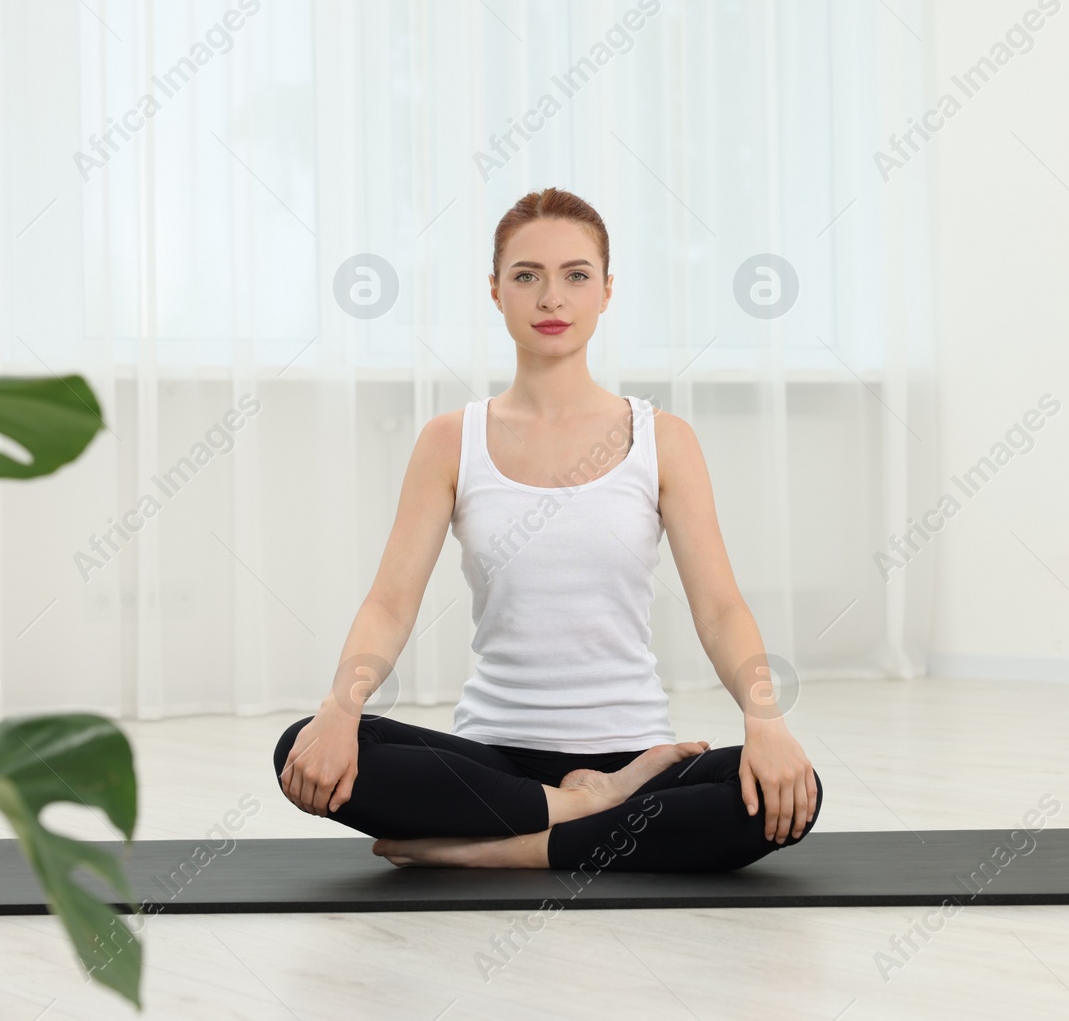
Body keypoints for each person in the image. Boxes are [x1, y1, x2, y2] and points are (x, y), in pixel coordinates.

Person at [273, 188, 822, 873]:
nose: (551, 298)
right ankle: (582, 813)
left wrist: (766, 722)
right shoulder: (451, 441)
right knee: (302, 743)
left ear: (607, 291)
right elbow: (388, 605)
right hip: (493, 761)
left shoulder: (664, 440)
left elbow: (720, 609)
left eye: (576, 275)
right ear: (496, 292)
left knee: (784, 793)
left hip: (636, 754)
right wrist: (338, 711)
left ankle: (514, 848)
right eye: (527, 276)